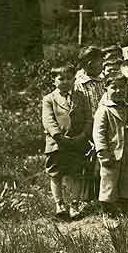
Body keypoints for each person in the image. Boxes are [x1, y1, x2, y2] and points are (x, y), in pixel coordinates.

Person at [42, 64, 92, 220]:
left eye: (69, 78)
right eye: (60, 78)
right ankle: (60, 203)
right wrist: (59, 137)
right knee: (55, 174)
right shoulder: (49, 99)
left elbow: (88, 118)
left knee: (77, 173)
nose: (65, 81)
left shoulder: (81, 97)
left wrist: (83, 135)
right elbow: (48, 120)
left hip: (77, 142)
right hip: (57, 143)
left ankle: (75, 203)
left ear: (74, 79)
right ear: (53, 80)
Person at [93, 74, 128, 216]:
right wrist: (102, 152)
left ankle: (126, 211)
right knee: (109, 182)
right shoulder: (104, 110)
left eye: (122, 87)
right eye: (114, 87)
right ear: (106, 89)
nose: (118, 90)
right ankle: (108, 212)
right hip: (112, 153)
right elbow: (99, 133)